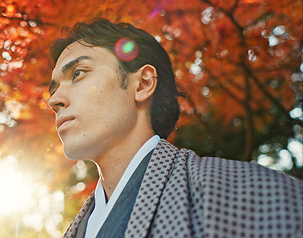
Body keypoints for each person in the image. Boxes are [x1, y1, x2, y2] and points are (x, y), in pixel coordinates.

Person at [47, 18, 303, 238]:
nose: (54, 100)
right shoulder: (81, 227)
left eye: (78, 73)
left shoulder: (247, 193)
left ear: (143, 84)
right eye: (54, 88)